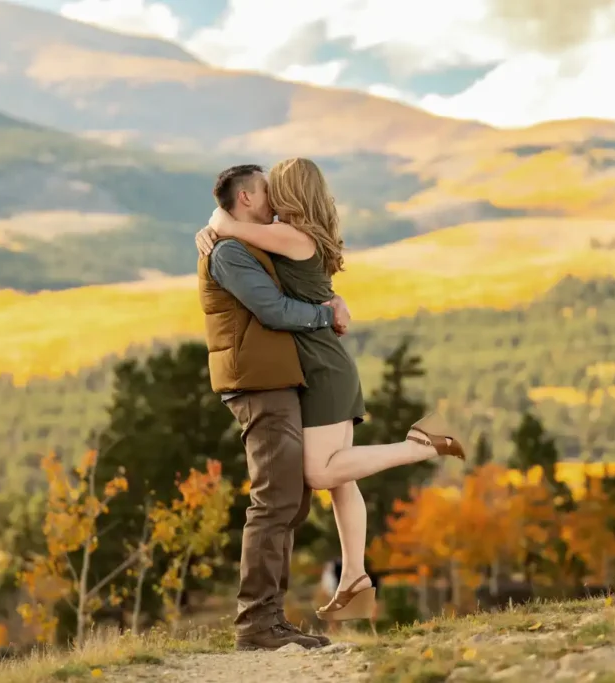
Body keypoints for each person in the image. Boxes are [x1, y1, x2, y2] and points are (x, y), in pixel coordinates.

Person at [196, 157, 466, 623]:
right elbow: (236, 235)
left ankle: (419, 446)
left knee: (321, 474)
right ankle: (355, 576)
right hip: (327, 360)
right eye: (266, 190)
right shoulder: (305, 235)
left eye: (277, 188)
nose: (273, 199)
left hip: (319, 365)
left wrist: (215, 223)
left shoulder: (288, 236)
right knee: (342, 478)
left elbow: (228, 225)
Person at [196, 164, 352, 651]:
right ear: (246, 199)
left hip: (275, 379)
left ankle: (270, 620)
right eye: (267, 192)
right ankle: (257, 624)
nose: (276, 200)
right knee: (273, 501)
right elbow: (275, 311)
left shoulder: (241, 239)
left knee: (291, 499)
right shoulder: (230, 254)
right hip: (257, 384)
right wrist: (327, 315)